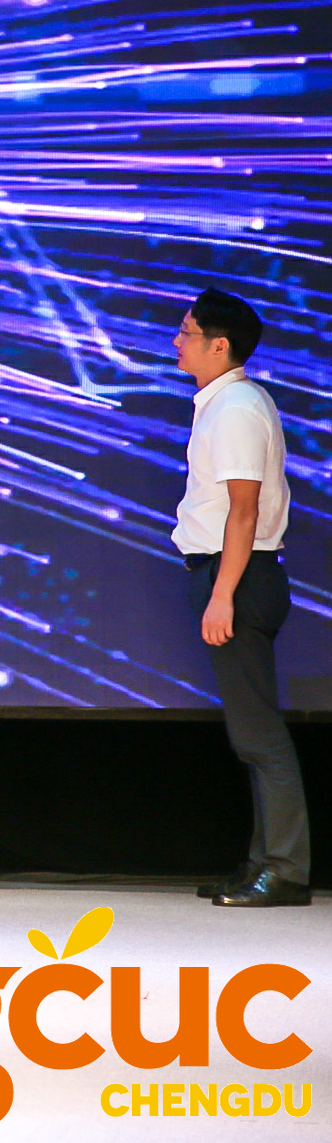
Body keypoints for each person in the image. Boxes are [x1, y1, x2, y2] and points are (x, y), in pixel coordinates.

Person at [172, 288, 308, 908]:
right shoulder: (225, 404)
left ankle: (284, 868)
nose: (178, 342)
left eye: (187, 332)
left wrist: (222, 593)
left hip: (241, 575)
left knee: (259, 734)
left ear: (219, 345)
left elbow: (244, 510)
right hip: (235, 572)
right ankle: (262, 863)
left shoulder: (235, 408)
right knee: (250, 732)